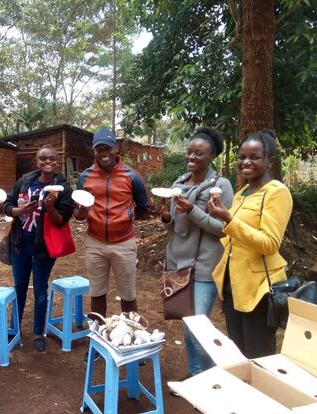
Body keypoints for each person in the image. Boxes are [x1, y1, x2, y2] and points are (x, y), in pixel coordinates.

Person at [209, 129, 293, 358]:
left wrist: (228, 218)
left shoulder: (276, 193)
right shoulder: (242, 194)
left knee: (259, 356)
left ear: (270, 161)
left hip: (259, 289)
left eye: (254, 157)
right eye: (242, 156)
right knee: (238, 352)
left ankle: (264, 394)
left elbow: (269, 243)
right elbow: (234, 241)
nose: (245, 162)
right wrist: (222, 285)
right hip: (233, 285)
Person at [160, 127, 233, 380]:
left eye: (199, 153)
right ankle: (194, 373)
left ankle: (212, 378)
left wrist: (192, 210)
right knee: (187, 324)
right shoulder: (178, 184)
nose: (191, 157)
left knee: (199, 328)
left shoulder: (220, 186)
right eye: (189, 152)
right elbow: (175, 228)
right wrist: (166, 217)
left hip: (203, 267)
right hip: (177, 262)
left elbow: (224, 229)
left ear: (211, 156)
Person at [3, 144, 74, 352]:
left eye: (52, 158)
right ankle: (13, 329)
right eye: (43, 158)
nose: (48, 162)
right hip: (20, 243)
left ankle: (38, 332)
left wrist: (50, 206)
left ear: (57, 161)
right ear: (38, 161)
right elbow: (7, 204)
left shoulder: (62, 188)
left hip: (43, 247)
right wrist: (20, 210)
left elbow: (62, 221)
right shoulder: (25, 181)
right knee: (20, 287)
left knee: (41, 289)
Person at [75, 127, 152, 318]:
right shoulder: (85, 177)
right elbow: (77, 214)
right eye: (98, 149)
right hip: (95, 243)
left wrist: (126, 219)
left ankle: (128, 339)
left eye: (107, 148)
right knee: (97, 293)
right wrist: (83, 213)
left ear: (116, 148)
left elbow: (144, 207)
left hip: (124, 243)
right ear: (94, 151)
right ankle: (97, 342)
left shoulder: (132, 176)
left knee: (127, 295)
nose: (103, 153)